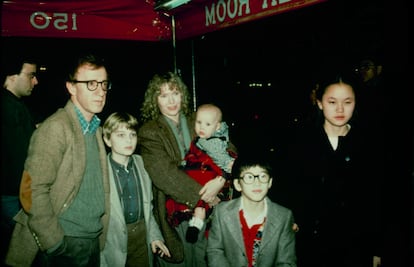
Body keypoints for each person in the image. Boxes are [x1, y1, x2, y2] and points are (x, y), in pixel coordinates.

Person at [5, 53, 111, 267]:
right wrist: (54, 242)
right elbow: (30, 190)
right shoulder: (56, 128)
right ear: (71, 87)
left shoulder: (95, 129)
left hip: (91, 240)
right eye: (91, 83)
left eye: (103, 84)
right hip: (64, 242)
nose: (100, 91)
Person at [137, 71, 237, 266]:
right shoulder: (149, 132)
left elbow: (229, 147)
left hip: (214, 209)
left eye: (175, 92)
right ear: (154, 100)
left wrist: (222, 179)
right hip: (176, 212)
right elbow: (165, 175)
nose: (171, 100)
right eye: (163, 95)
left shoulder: (197, 119)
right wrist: (206, 196)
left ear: (182, 94)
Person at [281, 74, 382, 267]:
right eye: (332, 101)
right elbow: (288, 188)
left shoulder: (368, 145)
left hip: (355, 245)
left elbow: (375, 199)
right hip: (309, 243)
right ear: (319, 103)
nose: (340, 109)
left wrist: (376, 248)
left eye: (347, 102)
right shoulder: (300, 142)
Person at [101, 111, 171, 266]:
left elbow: (149, 208)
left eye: (132, 134)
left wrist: (154, 236)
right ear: (107, 140)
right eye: (120, 135)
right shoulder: (100, 171)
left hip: (141, 238)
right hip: (112, 242)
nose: (129, 140)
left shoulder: (142, 164)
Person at [206, 152, 297, 267]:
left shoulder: (284, 216)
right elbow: (215, 250)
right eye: (249, 177)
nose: (257, 183)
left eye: (263, 176)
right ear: (238, 184)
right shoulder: (222, 212)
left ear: (270, 182)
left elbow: (287, 261)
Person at [165, 103, 237, 244]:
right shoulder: (215, 137)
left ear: (217, 127)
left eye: (207, 124)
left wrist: (228, 171)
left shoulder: (210, 142)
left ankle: (196, 224)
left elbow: (226, 161)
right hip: (202, 174)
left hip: (208, 174)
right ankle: (197, 223)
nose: (201, 127)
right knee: (202, 200)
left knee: (202, 198)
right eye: (199, 122)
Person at [0, 55, 39, 264]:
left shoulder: (12, 105)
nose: (35, 81)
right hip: (14, 196)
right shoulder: (11, 109)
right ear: (12, 76)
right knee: (22, 252)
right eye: (31, 75)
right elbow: (23, 157)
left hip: (11, 194)